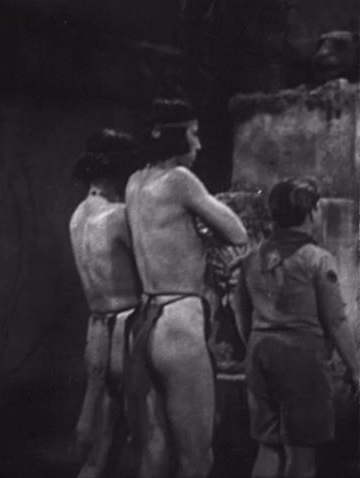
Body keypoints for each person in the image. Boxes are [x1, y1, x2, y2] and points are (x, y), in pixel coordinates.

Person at [124, 98, 248, 478]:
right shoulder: (180, 180)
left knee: (156, 452)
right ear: (175, 135)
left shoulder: (134, 182)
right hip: (178, 321)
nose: (199, 144)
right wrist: (205, 229)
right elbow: (237, 233)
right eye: (193, 134)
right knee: (197, 458)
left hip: (145, 321)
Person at [233, 177, 360, 478]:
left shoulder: (251, 259)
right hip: (301, 358)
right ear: (312, 212)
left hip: (260, 351)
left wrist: (254, 342)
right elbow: (336, 320)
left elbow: (240, 311)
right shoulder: (317, 259)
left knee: (268, 446)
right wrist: (354, 367)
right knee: (301, 453)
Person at [69, 129, 144, 478]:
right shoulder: (118, 216)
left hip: (96, 330)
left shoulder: (77, 216)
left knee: (98, 435)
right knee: (142, 434)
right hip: (125, 330)